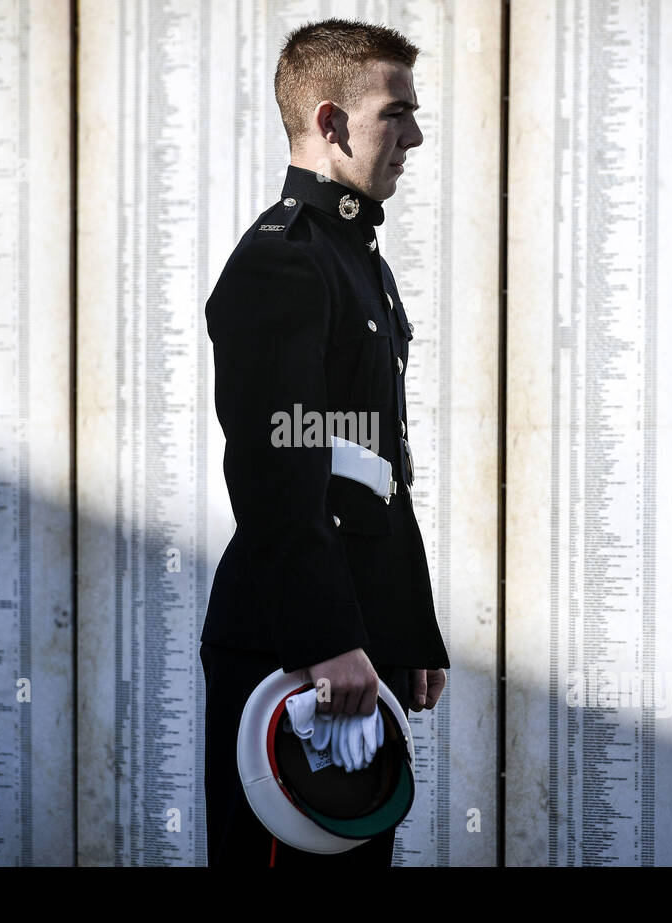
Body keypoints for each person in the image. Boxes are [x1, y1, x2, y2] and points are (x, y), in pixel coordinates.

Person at [200, 17, 449, 867]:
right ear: (333, 121)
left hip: (348, 634)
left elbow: (376, 466)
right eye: (398, 112)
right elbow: (278, 467)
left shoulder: (356, 257)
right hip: (290, 645)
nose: (415, 134)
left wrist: (408, 627)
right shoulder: (285, 261)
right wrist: (323, 637)